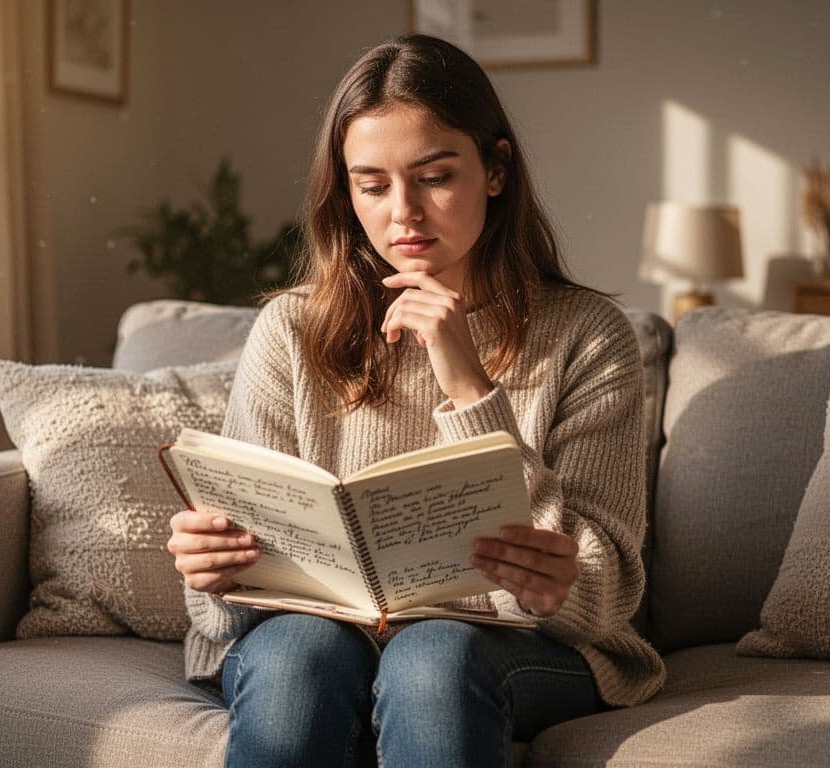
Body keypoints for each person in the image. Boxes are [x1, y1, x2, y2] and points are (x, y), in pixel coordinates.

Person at [166, 33, 664, 766]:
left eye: (434, 176)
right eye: (371, 184)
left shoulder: (589, 336)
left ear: (495, 170)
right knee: (299, 656)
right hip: (318, 639)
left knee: (432, 656)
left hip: (513, 647)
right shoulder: (292, 329)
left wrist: (467, 382)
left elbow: (602, 591)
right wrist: (217, 569)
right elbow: (234, 602)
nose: (404, 213)